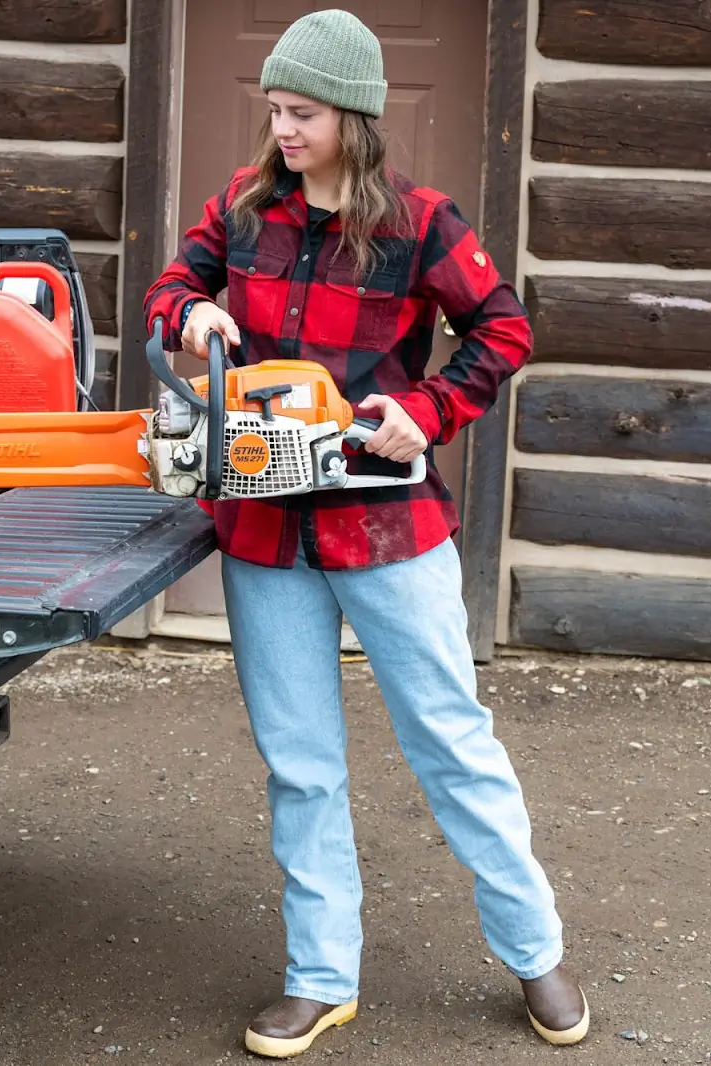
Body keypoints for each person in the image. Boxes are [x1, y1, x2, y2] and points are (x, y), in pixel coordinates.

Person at [142, 10, 589, 1059]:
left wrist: (426, 412)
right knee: (300, 763)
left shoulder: (422, 225)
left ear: (353, 116)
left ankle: (535, 952)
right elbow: (172, 286)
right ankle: (319, 977)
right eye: (275, 110)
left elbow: (504, 329)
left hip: (388, 525)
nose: (282, 129)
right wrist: (189, 315)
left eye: (301, 113)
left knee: (451, 742)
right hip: (265, 529)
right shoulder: (242, 209)